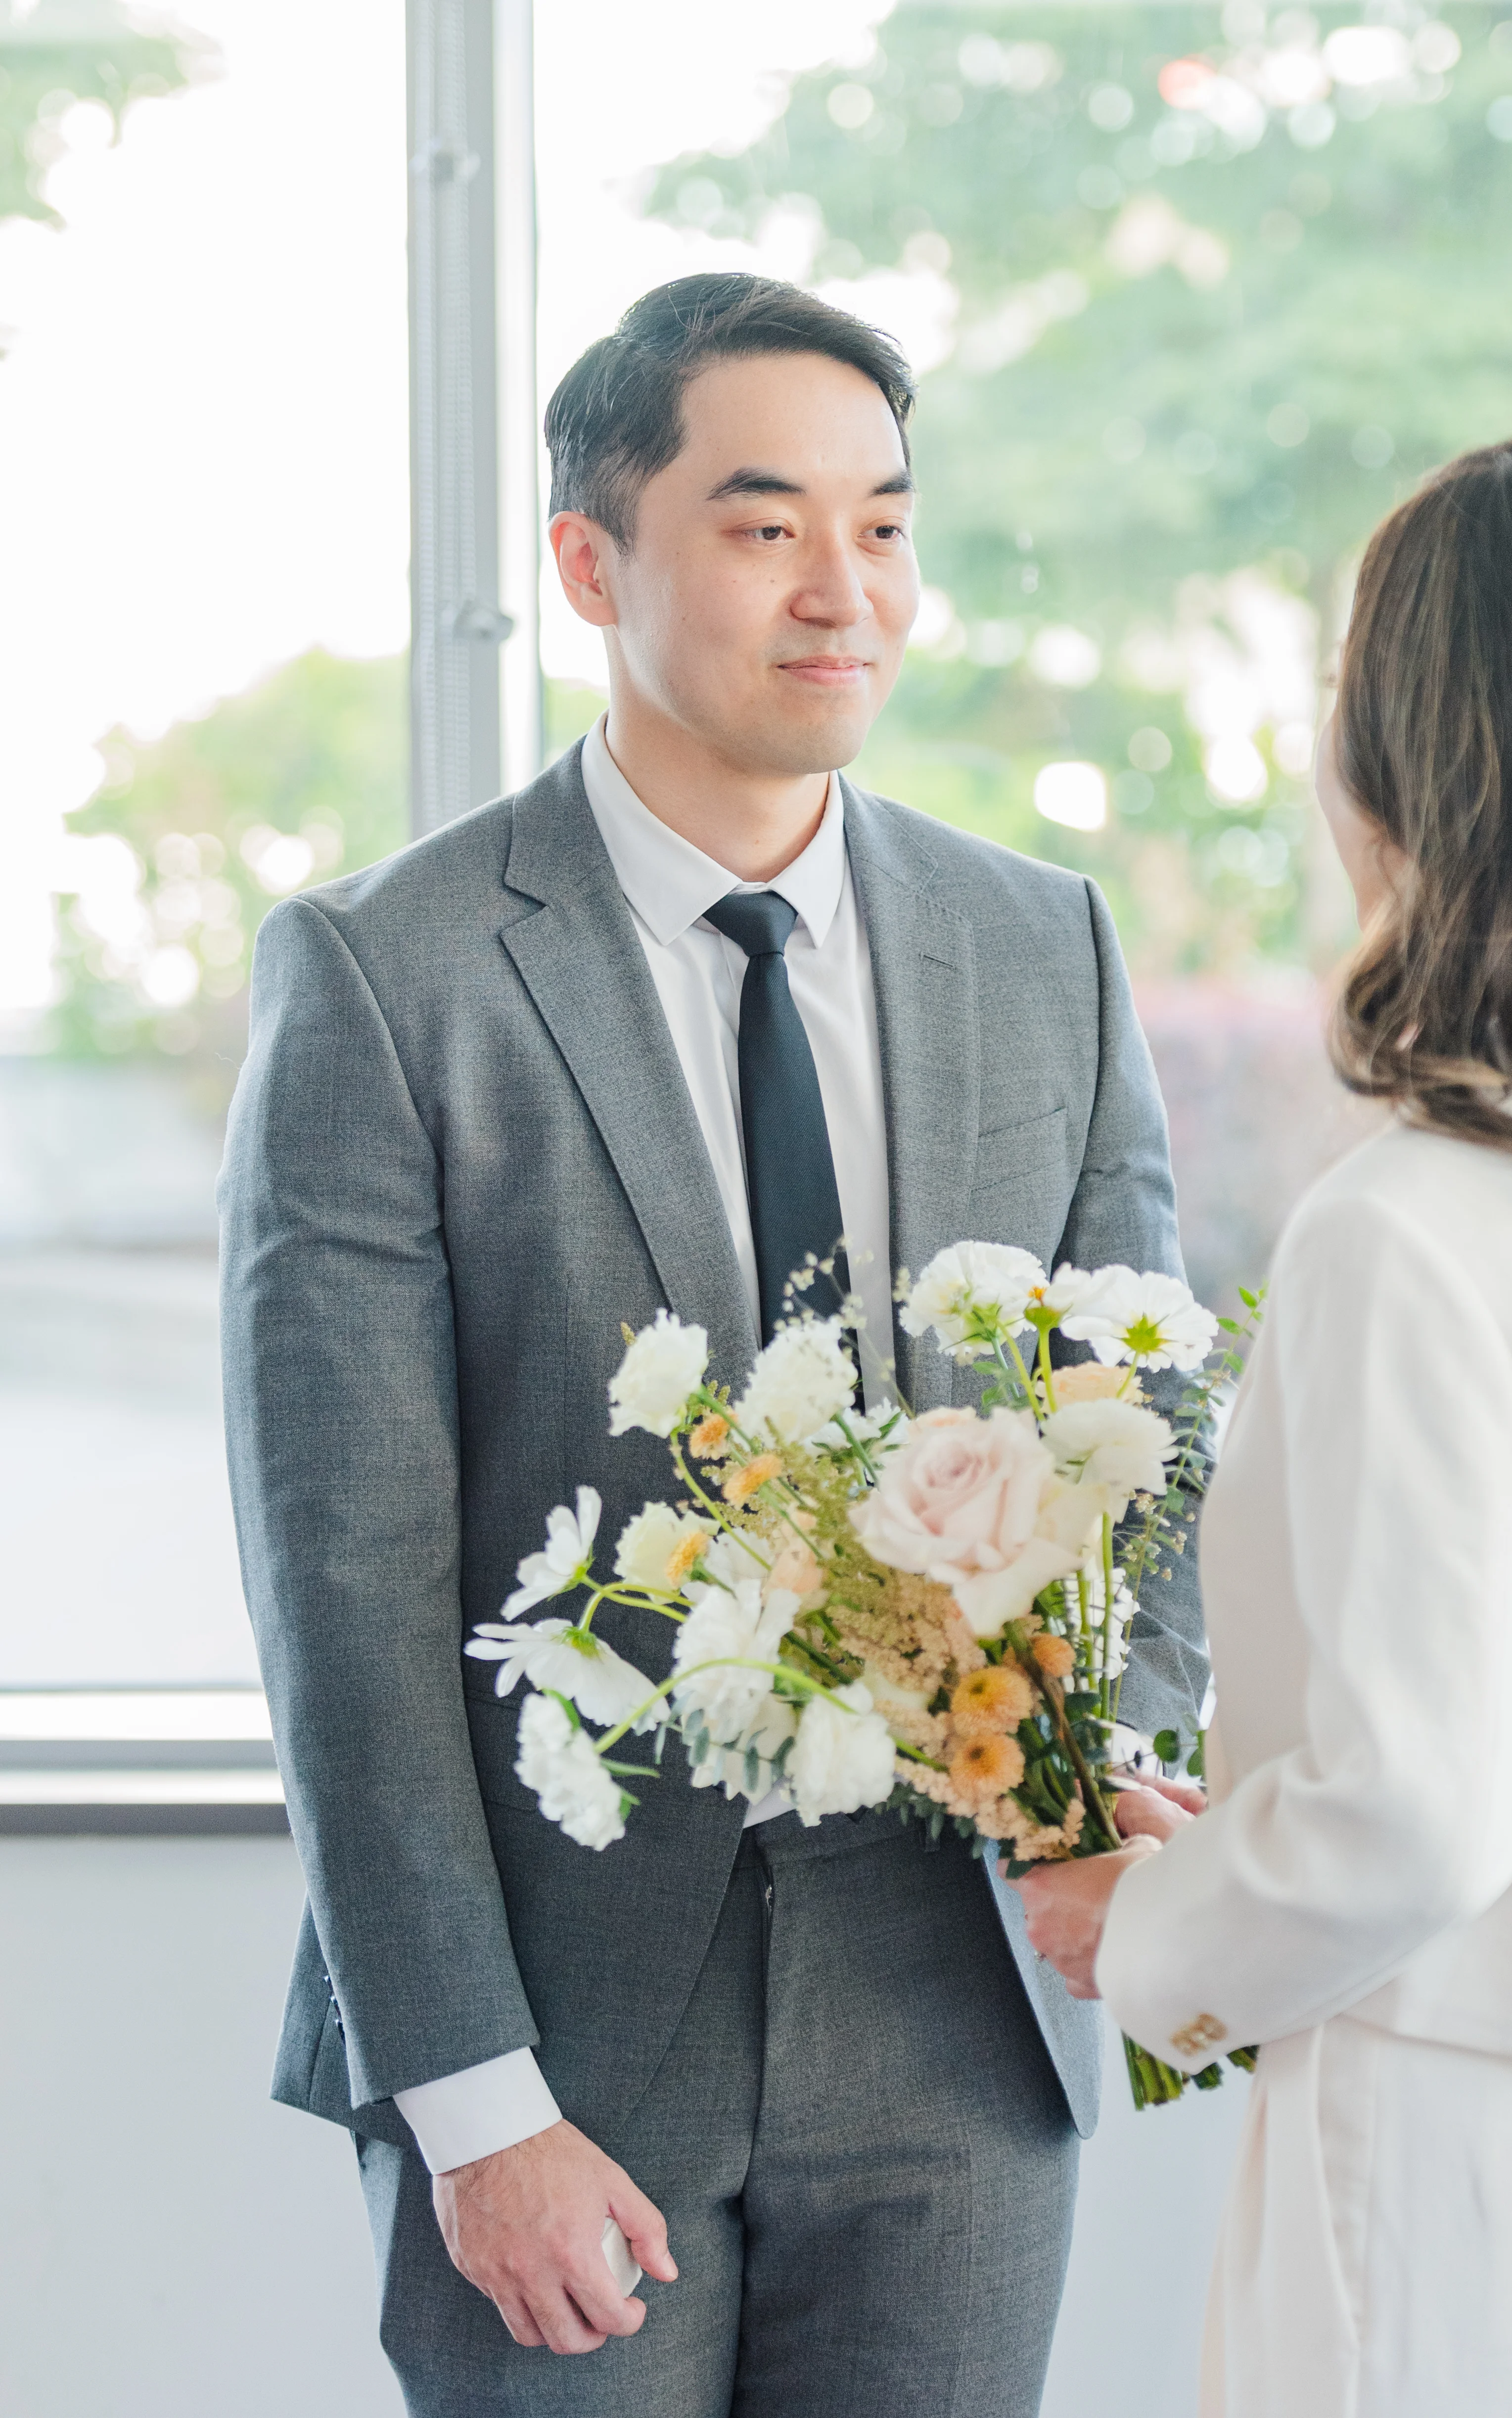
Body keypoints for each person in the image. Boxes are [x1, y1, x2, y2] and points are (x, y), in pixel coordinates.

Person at [218, 272, 1207, 2418]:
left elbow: (1141, 1442)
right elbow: (346, 1591)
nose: (841, 588)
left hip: (960, 2014)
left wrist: (1088, 1812)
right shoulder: (390, 980)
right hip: (566, 2036)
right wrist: (473, 2109)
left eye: (882, 521)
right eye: (764, 525)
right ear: (590, 561)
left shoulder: (1044, 946)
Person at [1017, 432, 1512, 2418]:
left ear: (1403, 762)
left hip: (1458, 2181)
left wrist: (1146, 1917)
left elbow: (1413, 1813)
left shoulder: (1412, 1223)